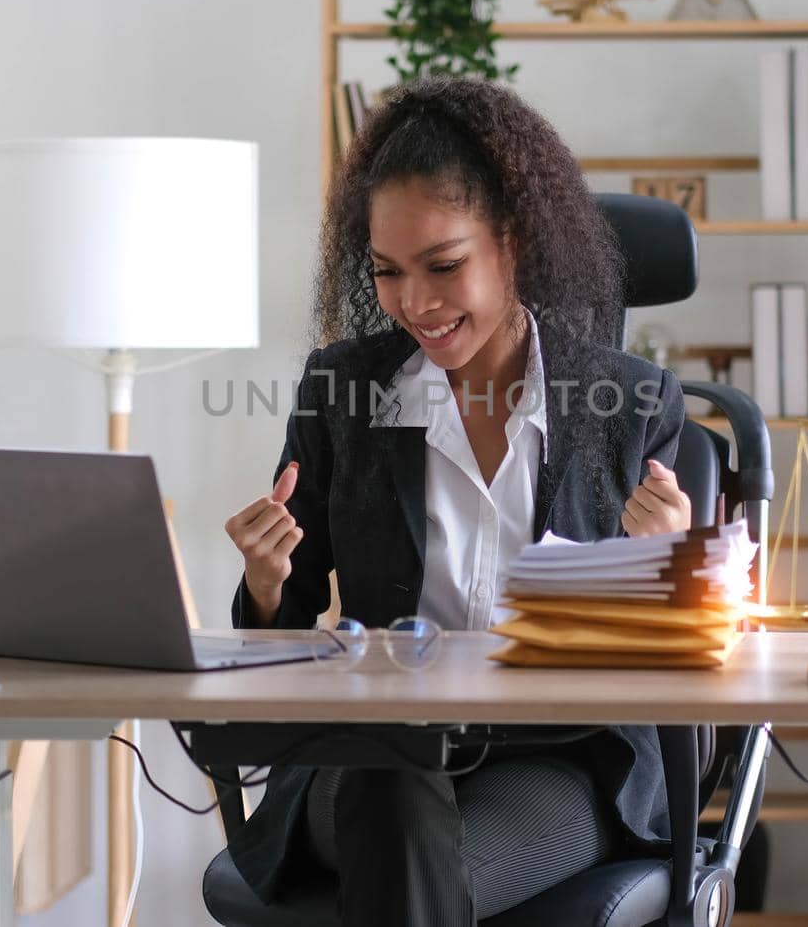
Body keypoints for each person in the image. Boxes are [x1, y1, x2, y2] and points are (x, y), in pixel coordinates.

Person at [222, 75, 691, 926]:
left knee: (411, 874)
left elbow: (678, 660)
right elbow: (278, 636)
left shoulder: (631, 406)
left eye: (444, 266)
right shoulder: (343, 392)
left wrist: (666, 571)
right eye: (388, 272)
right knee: (392, 797)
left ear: (514, 240)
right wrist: (266, 577)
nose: (415, 304)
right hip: (371, 751)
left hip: (552, 761)